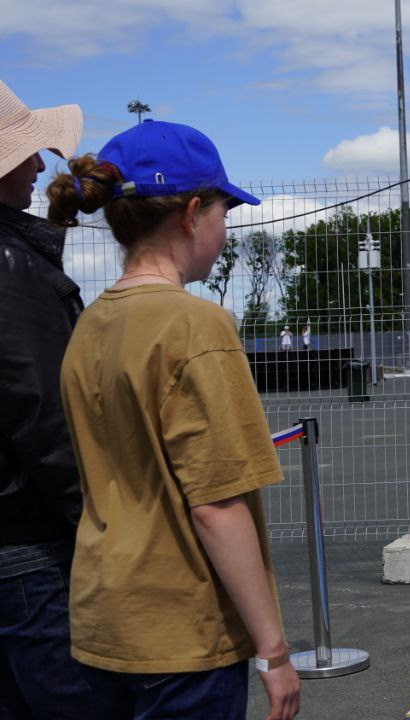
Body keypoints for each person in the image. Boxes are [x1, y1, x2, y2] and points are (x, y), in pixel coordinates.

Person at [48, 120, 300, 720]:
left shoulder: (90, 323)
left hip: (102, 617)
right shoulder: (194, 325)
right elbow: (216, 503)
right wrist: (273, 651)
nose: (225, 229)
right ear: (191, 214)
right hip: (183, 632)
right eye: (223, 212)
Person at [0, 80, 99, 717]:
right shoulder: (12, 267)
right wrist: (97, 524)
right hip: (28, 549)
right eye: (24, 153)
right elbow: (41, 415)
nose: (39, 165)